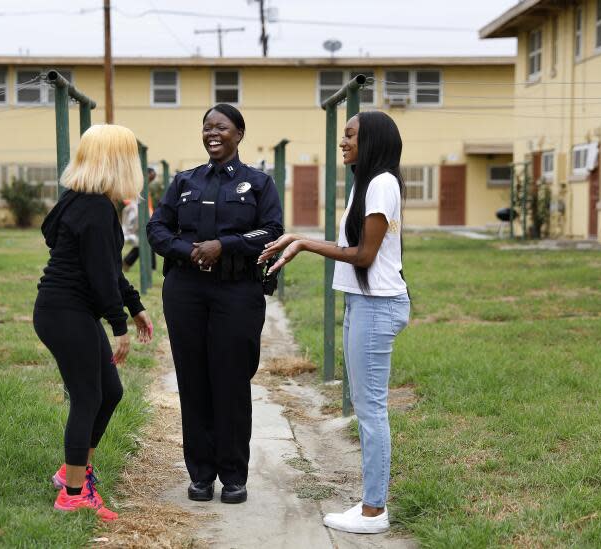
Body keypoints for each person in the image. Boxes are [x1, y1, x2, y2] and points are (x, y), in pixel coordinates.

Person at [259, 111, 410, 534]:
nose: (342, 143)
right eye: (342, 136)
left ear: (373, 141)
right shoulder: (367, 182)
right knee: (367, 406)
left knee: (371, 409)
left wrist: (305, 244)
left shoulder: (379, 184)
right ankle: (370, 503)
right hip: (365, 303)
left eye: (350, 136)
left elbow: (364, 255)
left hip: (377, 305)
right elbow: (354, 247)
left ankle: (374, 511)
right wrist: (296, 238)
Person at [147, 103, 283, 504]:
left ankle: (234, 475)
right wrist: (189, 251)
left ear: (238, 133)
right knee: (194, 383)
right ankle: (201, 475)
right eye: (207, 127)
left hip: (236, 293)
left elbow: (272, 231)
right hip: (186, 291)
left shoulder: (259, 183)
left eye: (221, 127)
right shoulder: (184, 181)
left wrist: (223, 246)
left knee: (232, 381)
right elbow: (156, 228)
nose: (213, 133)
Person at [33, 124, 154, 519]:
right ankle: (72, 493)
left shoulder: (81, 200)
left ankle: (75, 471)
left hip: (65, 311)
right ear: (118, 161)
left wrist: (134, 307)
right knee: (88, 396)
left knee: (110, 391)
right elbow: (102, 277)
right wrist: (119, 327)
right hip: (65, 312)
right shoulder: (96, 209)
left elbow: (107, 269)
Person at [122, 168, 157, 271]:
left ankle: (128, 262)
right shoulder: (137, 186)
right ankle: (129, 262)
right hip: (138, 218)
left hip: (146, 217)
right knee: (145, 241)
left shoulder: (144, 187)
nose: (152, 179)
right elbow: (128, 200)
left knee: (145, 242)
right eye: (151, 176)